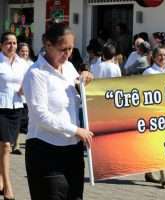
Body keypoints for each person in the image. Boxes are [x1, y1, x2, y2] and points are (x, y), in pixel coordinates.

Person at [23, 23, 93, 200]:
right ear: (48, 45)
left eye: (71, 49)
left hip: (72, 150)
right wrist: (76, 130)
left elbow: (78, 101)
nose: (68, 54)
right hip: (46, 151)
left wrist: (86, 84)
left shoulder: (69, 68)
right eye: (63, 49)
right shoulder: (35, 74)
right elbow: (41, 116)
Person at [0, 32, 28, 200]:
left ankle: (1, 178)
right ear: (2, 45)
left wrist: (25, 88)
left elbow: (30, 78)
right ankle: (8, 185)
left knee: (5, 146)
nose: (12, 46)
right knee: (6, 147)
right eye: (8, 43)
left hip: (17, 107)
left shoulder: (22, 63)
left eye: (15, 43)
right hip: (1, 107)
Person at [143, 46, 165, 188]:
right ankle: (163, 173)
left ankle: (149, 172)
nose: (163, 58)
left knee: (161, 143)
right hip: (153, 114)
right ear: (154, 57)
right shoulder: (148, 73)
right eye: (160, 55)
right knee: (158, 143)